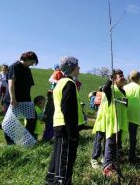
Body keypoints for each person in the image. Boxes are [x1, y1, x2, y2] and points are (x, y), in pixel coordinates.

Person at [45, 56, 85, 185]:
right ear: (72, 68)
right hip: (66, 127)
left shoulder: (60, 82)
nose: (79, 68)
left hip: (59, 124)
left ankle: (51, 180)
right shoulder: (69, 83)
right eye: (77, 65)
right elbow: (67, 109)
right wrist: (73, 132)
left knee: (58, 155)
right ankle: (61, 182)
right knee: (65, 159)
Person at [1, 51, 38, 146]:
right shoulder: (14, 67)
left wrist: (29, 100)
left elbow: (28, 86)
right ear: (27, 59)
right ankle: (10, 144)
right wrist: (13, 99)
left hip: (25, 99)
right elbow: (11, 83)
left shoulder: (28, 70)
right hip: (13, 100)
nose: (32, 64)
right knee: (10, 121)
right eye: (32, 62)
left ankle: (26, 140)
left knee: (33, 117)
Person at [98, 69, 128, 177]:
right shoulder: (111, 89)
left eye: (123, 75)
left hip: (120, 121)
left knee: (117, 144)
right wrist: (109, 79)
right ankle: (107, 167)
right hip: (112, 122)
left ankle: (114, 163)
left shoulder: (123, 91)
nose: (123, 77)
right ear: (114, 79)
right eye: (120, 76)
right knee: (110, 144)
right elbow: (105, 88)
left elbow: (124, 104)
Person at [124, 70, 140, 161]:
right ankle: (131, 156)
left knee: (120, 134)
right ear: (139, 78)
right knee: (133, 136)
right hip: (135, 115)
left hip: (124, 113)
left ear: (129, 77)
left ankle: (117, 152)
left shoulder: (124, 87)